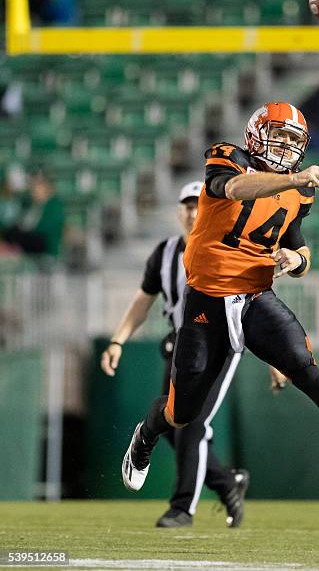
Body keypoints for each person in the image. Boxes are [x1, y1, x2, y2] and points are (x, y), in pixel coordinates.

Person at [121, 102, 319, 500]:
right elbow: (232, 189)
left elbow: (302, 252)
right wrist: (293, 179)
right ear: (256, 134)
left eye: (292, 139)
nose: (284, 145)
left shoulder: (300, 192)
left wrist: (295, 259)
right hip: (207, 300)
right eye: (278, 135)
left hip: (255, 296)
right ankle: (145, 435)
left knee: (305, 369)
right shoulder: (228, 157)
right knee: (183, 412)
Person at [101, 181, 262, 528]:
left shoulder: (228, 248)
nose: (192, 213)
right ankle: (227, 483)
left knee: (190, 425)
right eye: (187, 206)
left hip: (221, 344)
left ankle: (182, 508)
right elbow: (142, 302)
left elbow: (259, 301)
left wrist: (280, 361)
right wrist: (117, 341)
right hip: (183, 346)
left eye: (198, 206)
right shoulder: (165, 254)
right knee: (173, 426)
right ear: (178, 212)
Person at [1, 172, 65, 258]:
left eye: (38, 188)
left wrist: (24, 230)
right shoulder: (32, 205)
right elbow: (21, 222)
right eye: (34, 188)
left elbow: (45, 228)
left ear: (47, 188)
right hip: (28, 241)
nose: (34, 191)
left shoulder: (54, 205)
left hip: (43, 243)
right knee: (10, 232)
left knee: (17, 235)